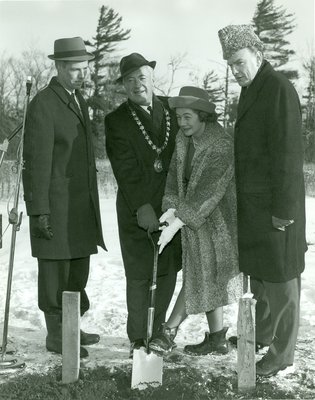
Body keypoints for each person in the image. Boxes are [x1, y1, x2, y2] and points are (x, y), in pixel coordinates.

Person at [218, 25, 307, 377]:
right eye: (230, 65)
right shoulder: (253, 89)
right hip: (255, 208)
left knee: (283, 282)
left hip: (276, 208)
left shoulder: (279, 89)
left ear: (258, 53)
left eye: (239, 62)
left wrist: (284, 211)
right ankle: (263, 335)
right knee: (262, 279)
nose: (236, 70)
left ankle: (283, 354)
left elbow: (287, 154)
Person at [22, 37, 106, 358]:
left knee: (77, 270)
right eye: (75, 70)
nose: (82, 75)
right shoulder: (43, 104)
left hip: (79, 208)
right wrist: (39, 211)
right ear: (58, 67)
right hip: (55, 208)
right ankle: (56, 335)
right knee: (54, 272)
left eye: (85, 69)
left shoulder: (78, 99)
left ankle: (72, 326)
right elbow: (38, 164)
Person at [149, 86, 243, 356]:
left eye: (188, 116)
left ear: (203, 115)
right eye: (179, 117)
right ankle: (217, 338)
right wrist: (169, 208)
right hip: (191, 216)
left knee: (199, 275)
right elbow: (173, 177)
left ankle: (168, 331)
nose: (182, 123)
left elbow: (210, 192)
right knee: (206, 274)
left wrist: (180, 220)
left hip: (216, 222)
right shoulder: (182, 138)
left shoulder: (221, 143)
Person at [104, 53, 181, 357]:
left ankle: (158, 331)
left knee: (166, 271)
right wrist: (142, 207)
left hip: (172, 207)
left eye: (142, 76)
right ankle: (138, 336)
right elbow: (124, 168)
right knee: (139, 273)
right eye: (130, 79)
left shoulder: (174, 109)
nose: (137, 84)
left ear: (152, 76)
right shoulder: (116, 120)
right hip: (137, 209)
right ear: (123, 85)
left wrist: (176, 205)